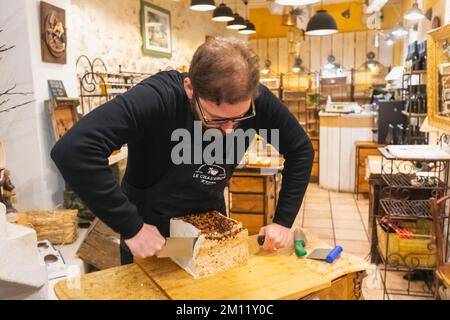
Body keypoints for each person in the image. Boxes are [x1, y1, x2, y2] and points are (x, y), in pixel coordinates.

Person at [51, 37, 314, 265]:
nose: (230, 130)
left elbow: (300, 150)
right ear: (190, 88)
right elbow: (74, 150)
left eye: (241, 117)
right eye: (217, 119)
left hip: (211, 228)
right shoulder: (158, 98)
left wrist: (282, 221)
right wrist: (131, 227)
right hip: (152, 236)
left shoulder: (256, 99)